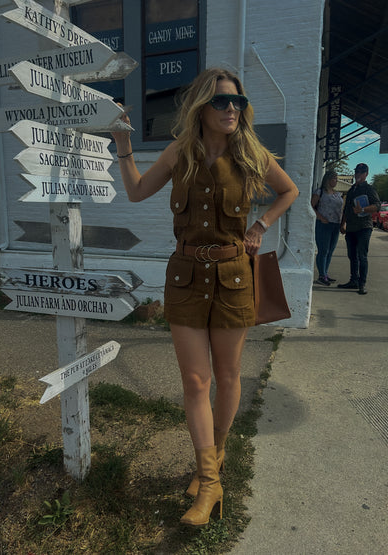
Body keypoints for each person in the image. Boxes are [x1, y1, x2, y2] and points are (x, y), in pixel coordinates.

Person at [112, 68, 299, 526]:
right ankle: (209, 481)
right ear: (201, 107)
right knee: (196, 383)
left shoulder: (251, 152)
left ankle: (215, 458)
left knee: (229, 375)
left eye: (237, 101)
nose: (231, 109)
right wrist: (123, 148)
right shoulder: (181, 153)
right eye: (220, 102)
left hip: (235, 274)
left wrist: (260, 225)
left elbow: (289, 190)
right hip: (186, 276)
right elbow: (137, 192)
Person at [338, 163, 381, 295]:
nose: (358, 174)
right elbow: (346, 209)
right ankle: (353, 281)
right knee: (352, 256)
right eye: (357, 172)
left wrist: (362, 209)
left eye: (361, 172)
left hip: (364, 227)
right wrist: (343, 223)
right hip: (351, 227)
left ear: (366, 174)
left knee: (362, 256)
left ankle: (362, 284)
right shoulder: (352, 190)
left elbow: (377, 205)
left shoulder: (368, 189)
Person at [311, 170, 343, 285]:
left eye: (336, 178)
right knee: (323, 250)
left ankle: (325, 273)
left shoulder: (337, 194)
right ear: (328, 179)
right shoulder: (320, 192)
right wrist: (320, 217)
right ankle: (321, 275)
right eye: (334, 178)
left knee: (330, 251)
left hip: (335, 224)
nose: (336, 180)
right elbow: (311, 206)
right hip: (323, 224)